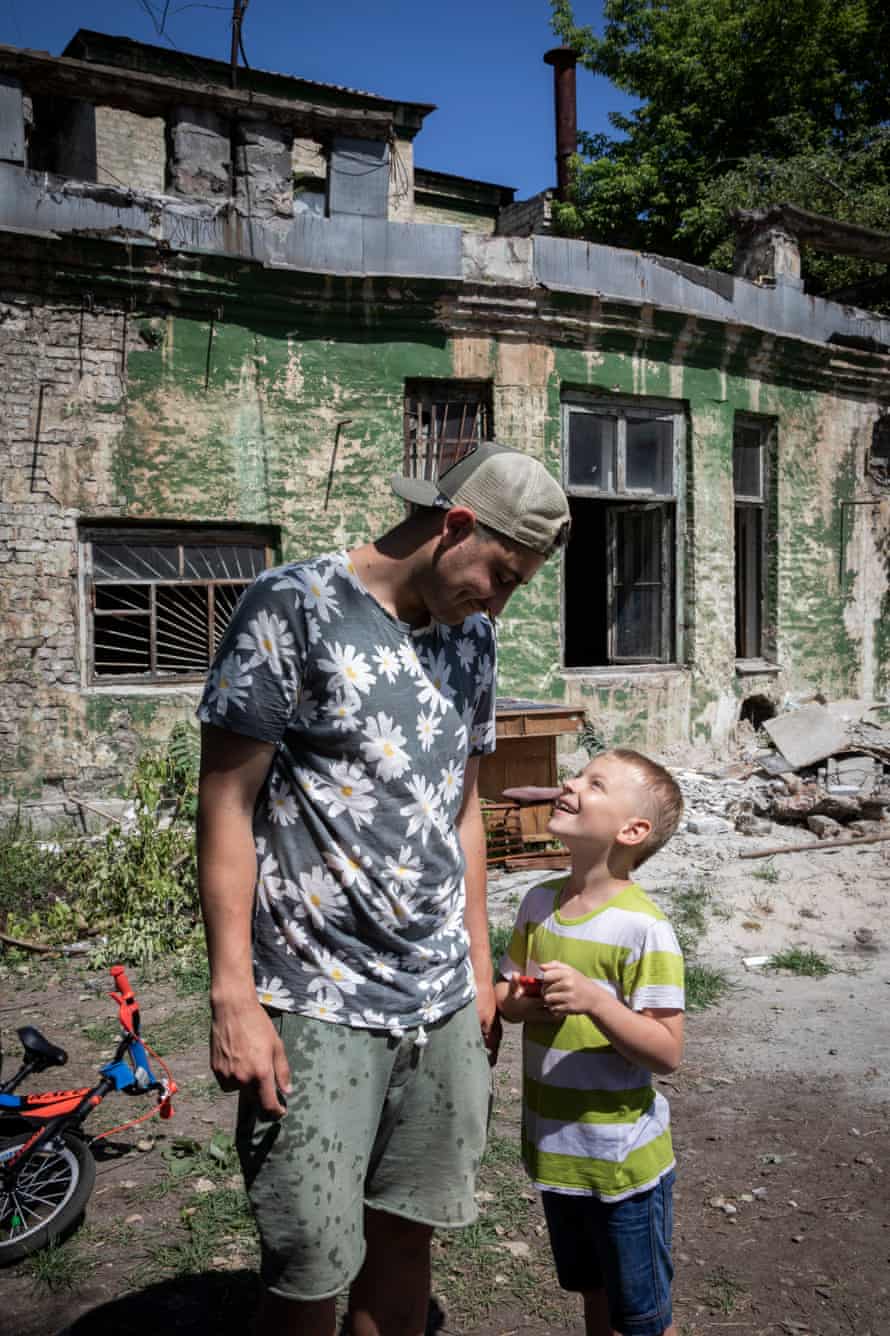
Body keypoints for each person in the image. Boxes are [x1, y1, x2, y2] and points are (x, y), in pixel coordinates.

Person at [195, 440, 570, 1336]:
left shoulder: (470, 637)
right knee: (310, 1265)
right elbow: (226, 809)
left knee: (409, 1234)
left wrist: (480, 969)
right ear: (455, 526)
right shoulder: (294, 606)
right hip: (317, 997)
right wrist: (233, 995)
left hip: (439, 999)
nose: (500, 601)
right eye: (500, 575)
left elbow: (464, 810)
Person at [495, 748, 685, 1336]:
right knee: (593, 1292)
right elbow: (506, 997)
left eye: (594, 784)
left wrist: (596, 1001)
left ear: (632, 831)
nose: (570, 784)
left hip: (622, 1166)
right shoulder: (538, 903)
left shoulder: (643, 927)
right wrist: (522, 1001)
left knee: (644, 1317)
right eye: (577, 775)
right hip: (559, 1153)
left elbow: (666, 1052)